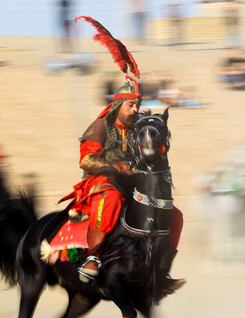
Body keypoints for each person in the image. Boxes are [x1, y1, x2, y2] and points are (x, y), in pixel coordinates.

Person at [65, 17, 185, 289]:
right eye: (132, 105)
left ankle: (162, 269)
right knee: (111, 200)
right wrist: (118, 167)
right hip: (101, 183)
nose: (136, 110)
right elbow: (86, 160)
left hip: (133, 183)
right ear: (118, 105)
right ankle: (92, 259)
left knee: (174, 213)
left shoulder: (137, 131)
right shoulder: (99, 127)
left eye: (138, 105)